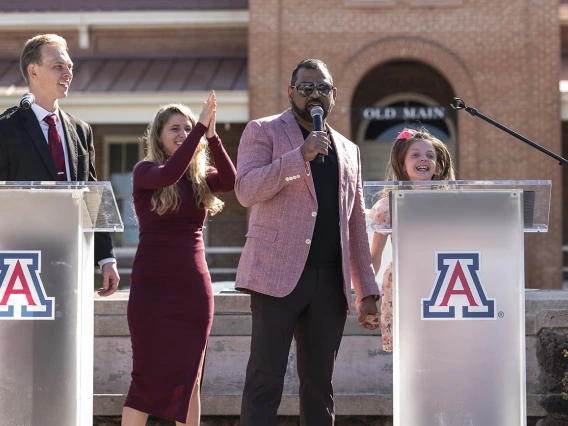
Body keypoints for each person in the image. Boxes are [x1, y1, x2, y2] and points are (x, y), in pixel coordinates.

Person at [235, 58, 380, 426]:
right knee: (264, 380)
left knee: (319, 385)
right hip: (275, 276)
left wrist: (367, 289)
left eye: (321, 88)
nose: (314, 94)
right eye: (305, 88)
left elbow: (356, 226)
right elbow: (246, 190)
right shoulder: (263, 131)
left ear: (333, 95)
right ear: (290, 93)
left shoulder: (349, 150)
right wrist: (298, 156)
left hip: (330, 284)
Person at [122, 91, 236, 426]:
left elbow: (230, 181)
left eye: (188, 128)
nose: (184, 134)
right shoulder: (146, 171)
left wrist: (212, 135)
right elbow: (169, 175)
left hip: (192, 287)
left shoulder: (199, 177)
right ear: (158, 135)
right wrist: (200, 127)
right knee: (145, 377)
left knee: (191, 378)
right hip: (151, 288)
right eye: (175, 128)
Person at [0, 33, 119, 296]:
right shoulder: (6, 129)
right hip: (20, 262)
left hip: (73, 256)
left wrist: (106, 258)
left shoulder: (81, 130)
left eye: (69, 67)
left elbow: (92, 197)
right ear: (33, 71)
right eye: (58, 66)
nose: (68, 73)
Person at [369, 127, 456, 352]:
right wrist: (366, 295)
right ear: (402, 163)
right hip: (403, 280)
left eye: (430, 155)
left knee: (441, 345)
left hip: (443, 279)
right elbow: (375, 255)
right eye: (415, 155)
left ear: (439, 165)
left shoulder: (451, 203)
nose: (423, 159)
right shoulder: (389, 204)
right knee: (409, 347)